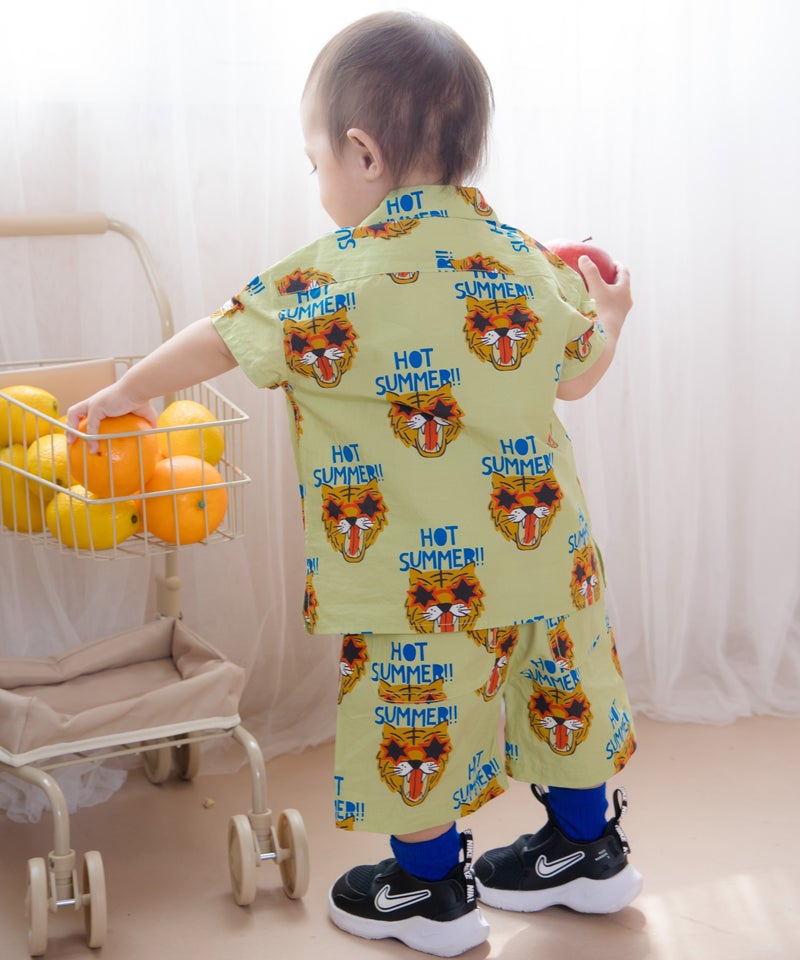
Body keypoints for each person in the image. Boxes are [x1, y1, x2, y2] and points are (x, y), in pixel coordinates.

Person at [68, 11, 640, 957]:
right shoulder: (522, 257)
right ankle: (588, 851)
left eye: (315, 162)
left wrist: (130, 391)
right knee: (561, 688)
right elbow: (578, 375)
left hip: (418, 581)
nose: (318, 180)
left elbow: (224, 335)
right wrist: (610, 313)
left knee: (418, 711)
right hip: (550, 556)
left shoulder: (332, 276)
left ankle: (429, 892)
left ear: (363, 154)